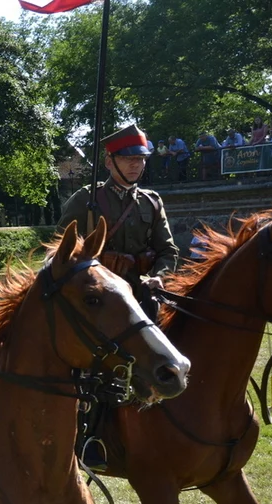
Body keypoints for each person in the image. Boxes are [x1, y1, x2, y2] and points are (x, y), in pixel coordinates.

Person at [56, 124, 179, 469]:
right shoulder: (88, 200)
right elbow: (60, 250)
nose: (135, 165)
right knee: (95, 367)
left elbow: (168, 250)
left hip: (143, 292)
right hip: (101, 299)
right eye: (127, 158)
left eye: (140, 159)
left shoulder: (152, 202)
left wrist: (158, 276)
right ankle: (91, 437)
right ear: (109, 162)